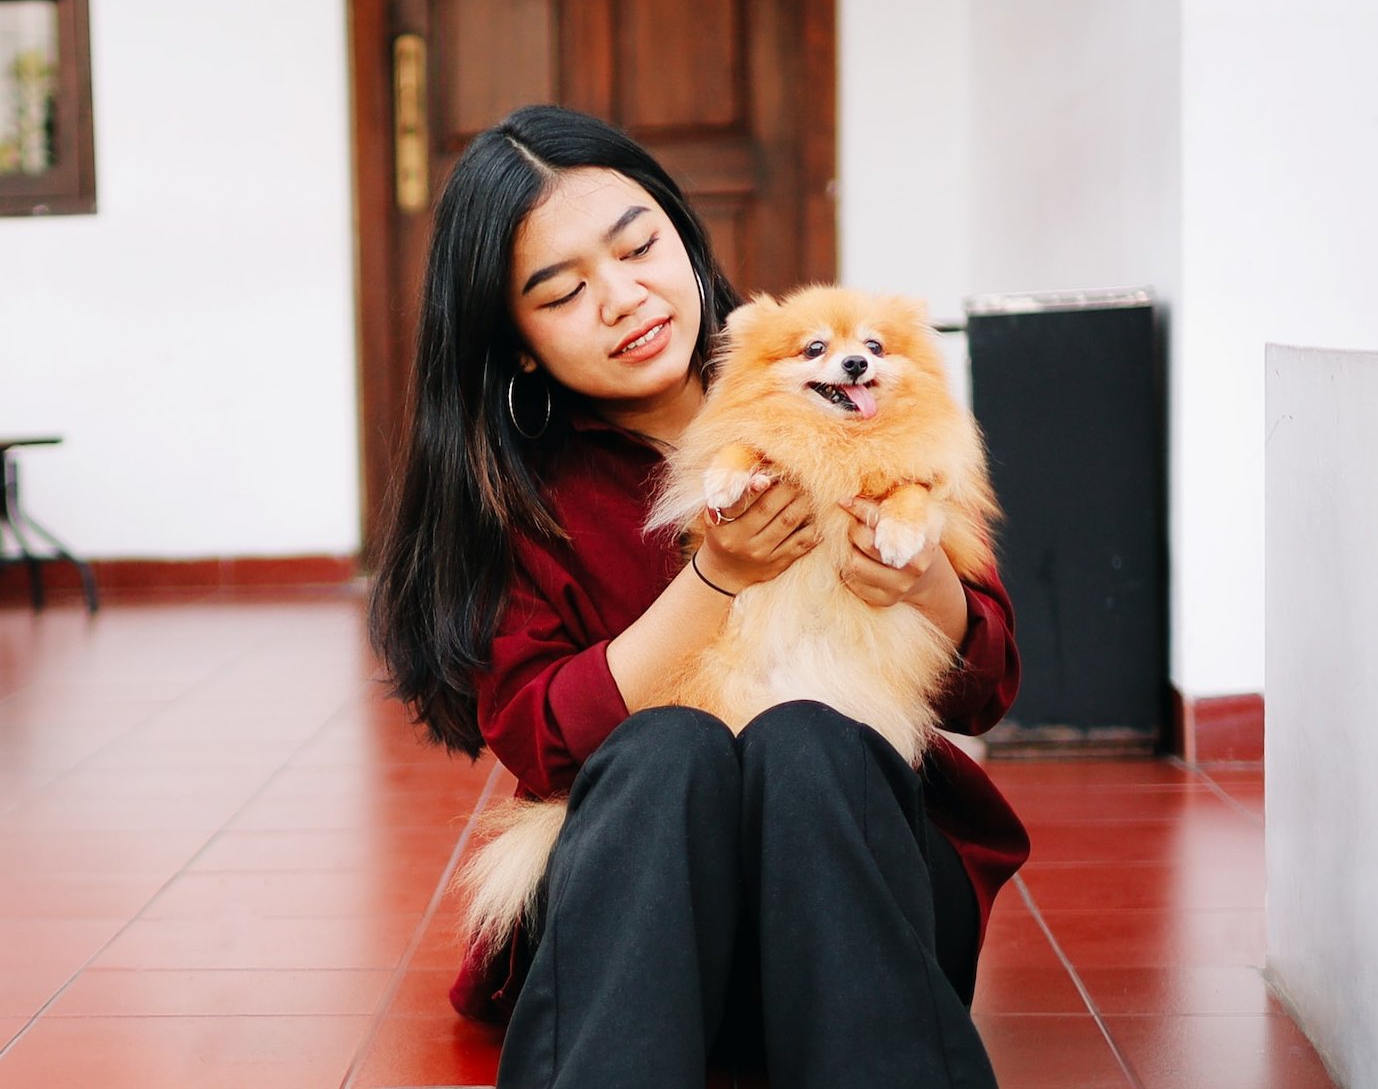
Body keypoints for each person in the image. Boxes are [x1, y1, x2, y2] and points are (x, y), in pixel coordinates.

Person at [367, 104, 1029, 1088]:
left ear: (681, 232)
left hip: (851, 909)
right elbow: (541, 737)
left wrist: (922, 578)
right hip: (643, 928)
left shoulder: (847, 393)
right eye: (562, 292)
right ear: (514, 343)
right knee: (664, 747)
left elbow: (985, 688)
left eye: (638, 246)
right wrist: (716, 579)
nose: (623, 298)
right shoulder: (523, 498)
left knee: (809, 741)